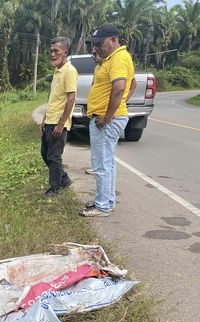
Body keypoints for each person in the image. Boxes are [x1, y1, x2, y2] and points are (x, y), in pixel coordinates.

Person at [80, 24, 134, 217]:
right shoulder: (111, 59)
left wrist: (107, 117)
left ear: (113, 39)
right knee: (107, 163)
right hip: (108, 117)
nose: (97, 47)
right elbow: (132, 84)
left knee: (101, 164)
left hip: (106, 120)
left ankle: (102, 206)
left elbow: (120, 88)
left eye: (100, 43)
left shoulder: (119, 57)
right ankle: (106, 201)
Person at [40, 37, 78, 196]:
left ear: (65, 52)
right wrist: (45, 118)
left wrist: (61, 124)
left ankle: (55, 187)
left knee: (54, 156)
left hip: (59, 122)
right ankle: (64, 179)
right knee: (45, 153)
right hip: (50, 119)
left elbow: (71, 98)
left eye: (56, 51)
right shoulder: (57, 71)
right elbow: (54, 98)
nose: (52, 54)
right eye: (51, 51)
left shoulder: (70, 71)